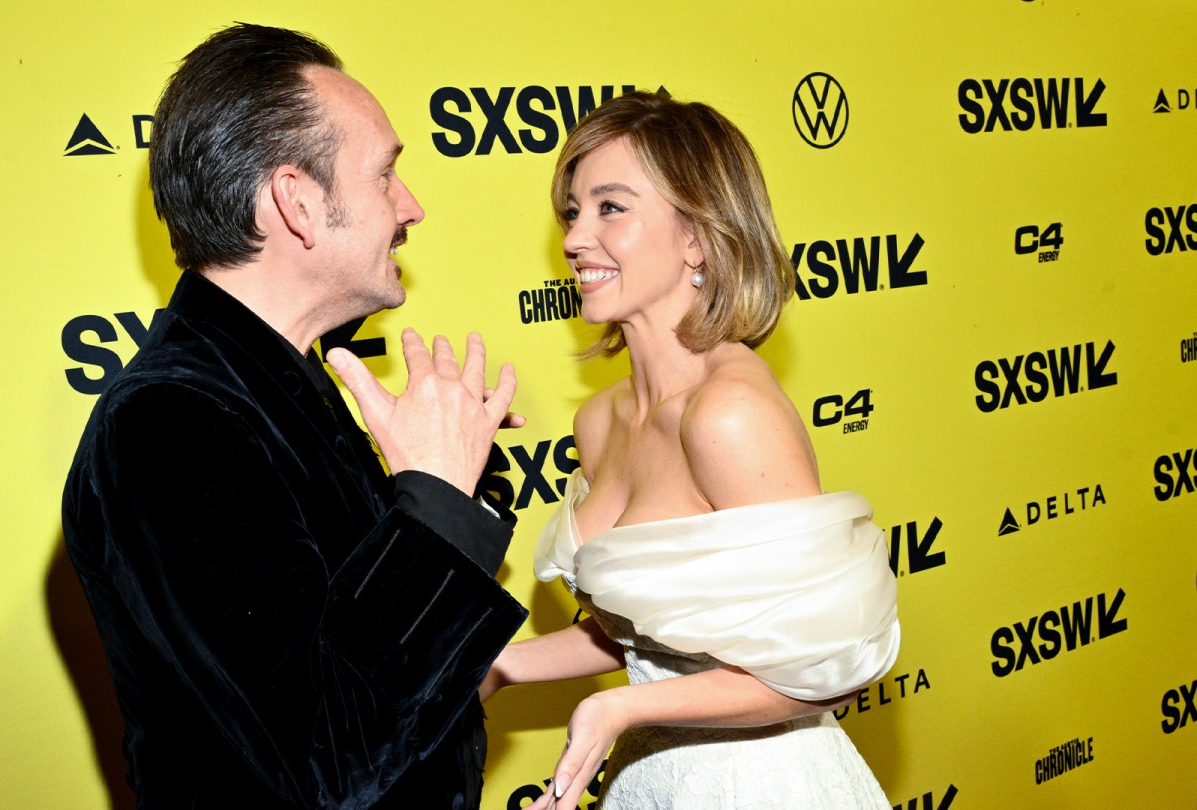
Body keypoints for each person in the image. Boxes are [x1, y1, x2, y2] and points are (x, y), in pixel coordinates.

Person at [61, 23, 528, 809]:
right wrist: (438, 506)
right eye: (385, 177)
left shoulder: (279, 382)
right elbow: (327, 760)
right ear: (298, 204)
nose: (411, 207)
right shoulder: (172, 424)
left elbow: (377, 662)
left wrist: (456, 480)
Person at [481, 92, 900, 808]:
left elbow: (829, 669)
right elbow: (659, 638)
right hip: (652, 781)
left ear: (697, 237)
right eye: (573, 212)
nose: (578, 238)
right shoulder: (600, 420)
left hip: (764, 786)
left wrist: (620, 709)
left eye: (612, 207)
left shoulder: (729, 415)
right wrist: (504, 666)